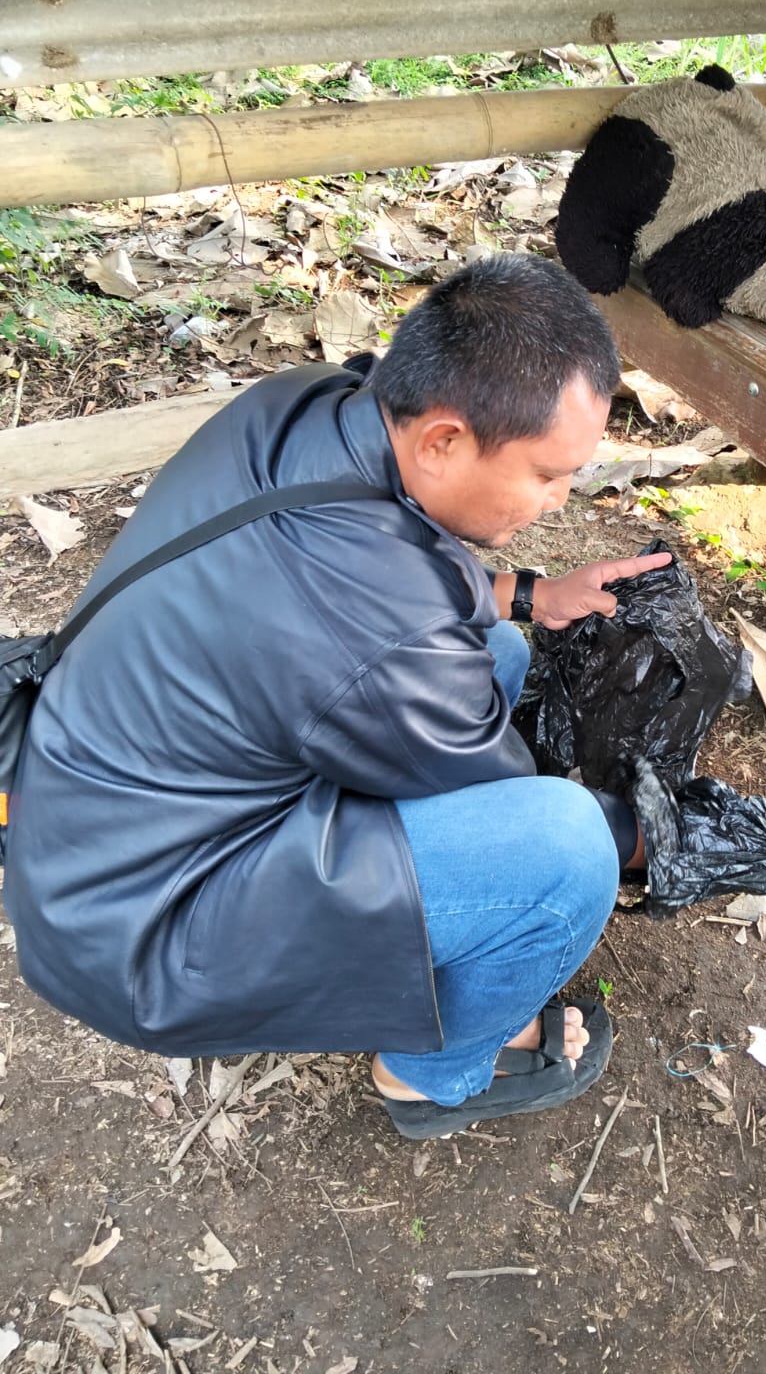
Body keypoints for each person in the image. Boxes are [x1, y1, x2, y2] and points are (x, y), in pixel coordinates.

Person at [3, 253, 670, 1139]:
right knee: (565, 848)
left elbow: (398, 572)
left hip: (85, 830)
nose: (560, 499)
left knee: (500, 656)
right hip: (144, 933)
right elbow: (501, 789)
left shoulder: (312, 402)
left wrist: (530, 596)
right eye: (547, 474)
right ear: (441, 439)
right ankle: (435, 1075)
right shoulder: (382, 631)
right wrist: (661, 834)